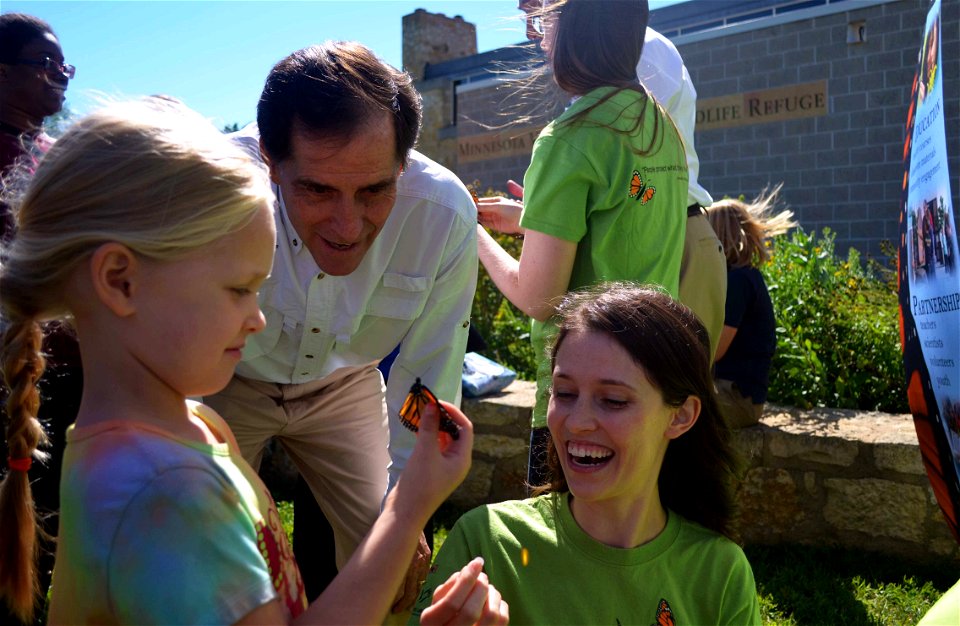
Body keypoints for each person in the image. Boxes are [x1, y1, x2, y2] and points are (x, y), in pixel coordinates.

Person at [0, 98, 507, 625]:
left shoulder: (188, 431)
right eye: (242, 289)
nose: (259, 318)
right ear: (120, 280)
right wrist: (404, 515)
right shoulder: (173, 495)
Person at [205, 40, 478, 609]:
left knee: (398, 562)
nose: (348, 225)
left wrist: (408, 509)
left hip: (345, 384)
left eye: (376, 190)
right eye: (317, 190)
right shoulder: (212, 188)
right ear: (270, 161)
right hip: (223, 381)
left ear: (405, 162)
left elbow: (426, 376)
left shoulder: (444, 215)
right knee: (208, 552)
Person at [412, 284, 760, 625]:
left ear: (680, 415)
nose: (577, 423)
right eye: (563, 393)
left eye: (613, 400)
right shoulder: (487, 542)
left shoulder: (720, 574)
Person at [476, 0, 688, 486]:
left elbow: (537, 297)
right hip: (649, 385)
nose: (540, 39)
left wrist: (475, 235)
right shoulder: (658, 124)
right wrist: (531, 221)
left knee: (561, 551)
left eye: (544, 25)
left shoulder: (568, 138)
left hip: (580, 402)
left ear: (575, 32)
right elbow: (629, 209)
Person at [0, 14, 80, 623]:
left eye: (66, 66)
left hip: (55, 369)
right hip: (8, 362)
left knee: (51, 505)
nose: (62, 77)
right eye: (47, 65)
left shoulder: (58, 159)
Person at [706, 185, 796, 428]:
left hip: (737, 398)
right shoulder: (744, 277)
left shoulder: (738, 282)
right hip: (737, 396)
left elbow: (715, 352)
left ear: (718, 235)